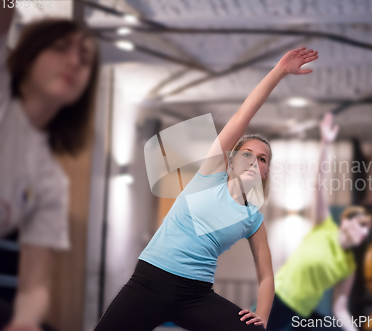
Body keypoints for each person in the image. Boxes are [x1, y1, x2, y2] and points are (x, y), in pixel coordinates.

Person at [94, 47, 319, 331]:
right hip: (150, 281)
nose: (254, 160)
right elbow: (241, 117)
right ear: (233, 159)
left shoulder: (253, 218)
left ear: (265, 172)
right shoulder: (210, 175)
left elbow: (266, 276)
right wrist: (279, 71)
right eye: (247, 153)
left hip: (195, 295)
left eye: (263, 159)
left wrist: (261, 317)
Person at [0, 9, 100, 331]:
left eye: (84, 58)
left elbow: (35, 282)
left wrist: (26, 321)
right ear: (28, 56)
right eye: (60, 48)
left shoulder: (51, 180)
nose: (73, 61)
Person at [267, 112, 372, 331]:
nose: (364, 233)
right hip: (278, 299)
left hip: (302, 314)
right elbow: (319, 185)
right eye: (362, 225)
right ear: (345, 221)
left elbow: (341, 307)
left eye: (368, 230)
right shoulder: (324, 226)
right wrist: (325, 143)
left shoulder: (349, 265)